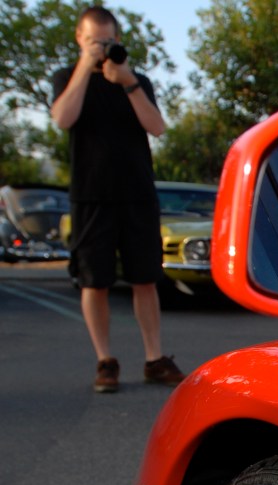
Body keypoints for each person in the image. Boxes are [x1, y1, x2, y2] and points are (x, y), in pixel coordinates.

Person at [51, 6, 184, 393]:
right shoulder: (65, 78)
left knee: (146, 278)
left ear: (119, 40)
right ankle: (104, 361)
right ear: (80, 38)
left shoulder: (136, 79)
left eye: (108, 41)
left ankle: (154, 358)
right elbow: (62, 118)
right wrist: (84, 67)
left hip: (137, 194)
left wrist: (127, 83)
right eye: (95, 41)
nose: (102, 47)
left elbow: (157, 127)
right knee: (95, 282)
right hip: (91, 195)